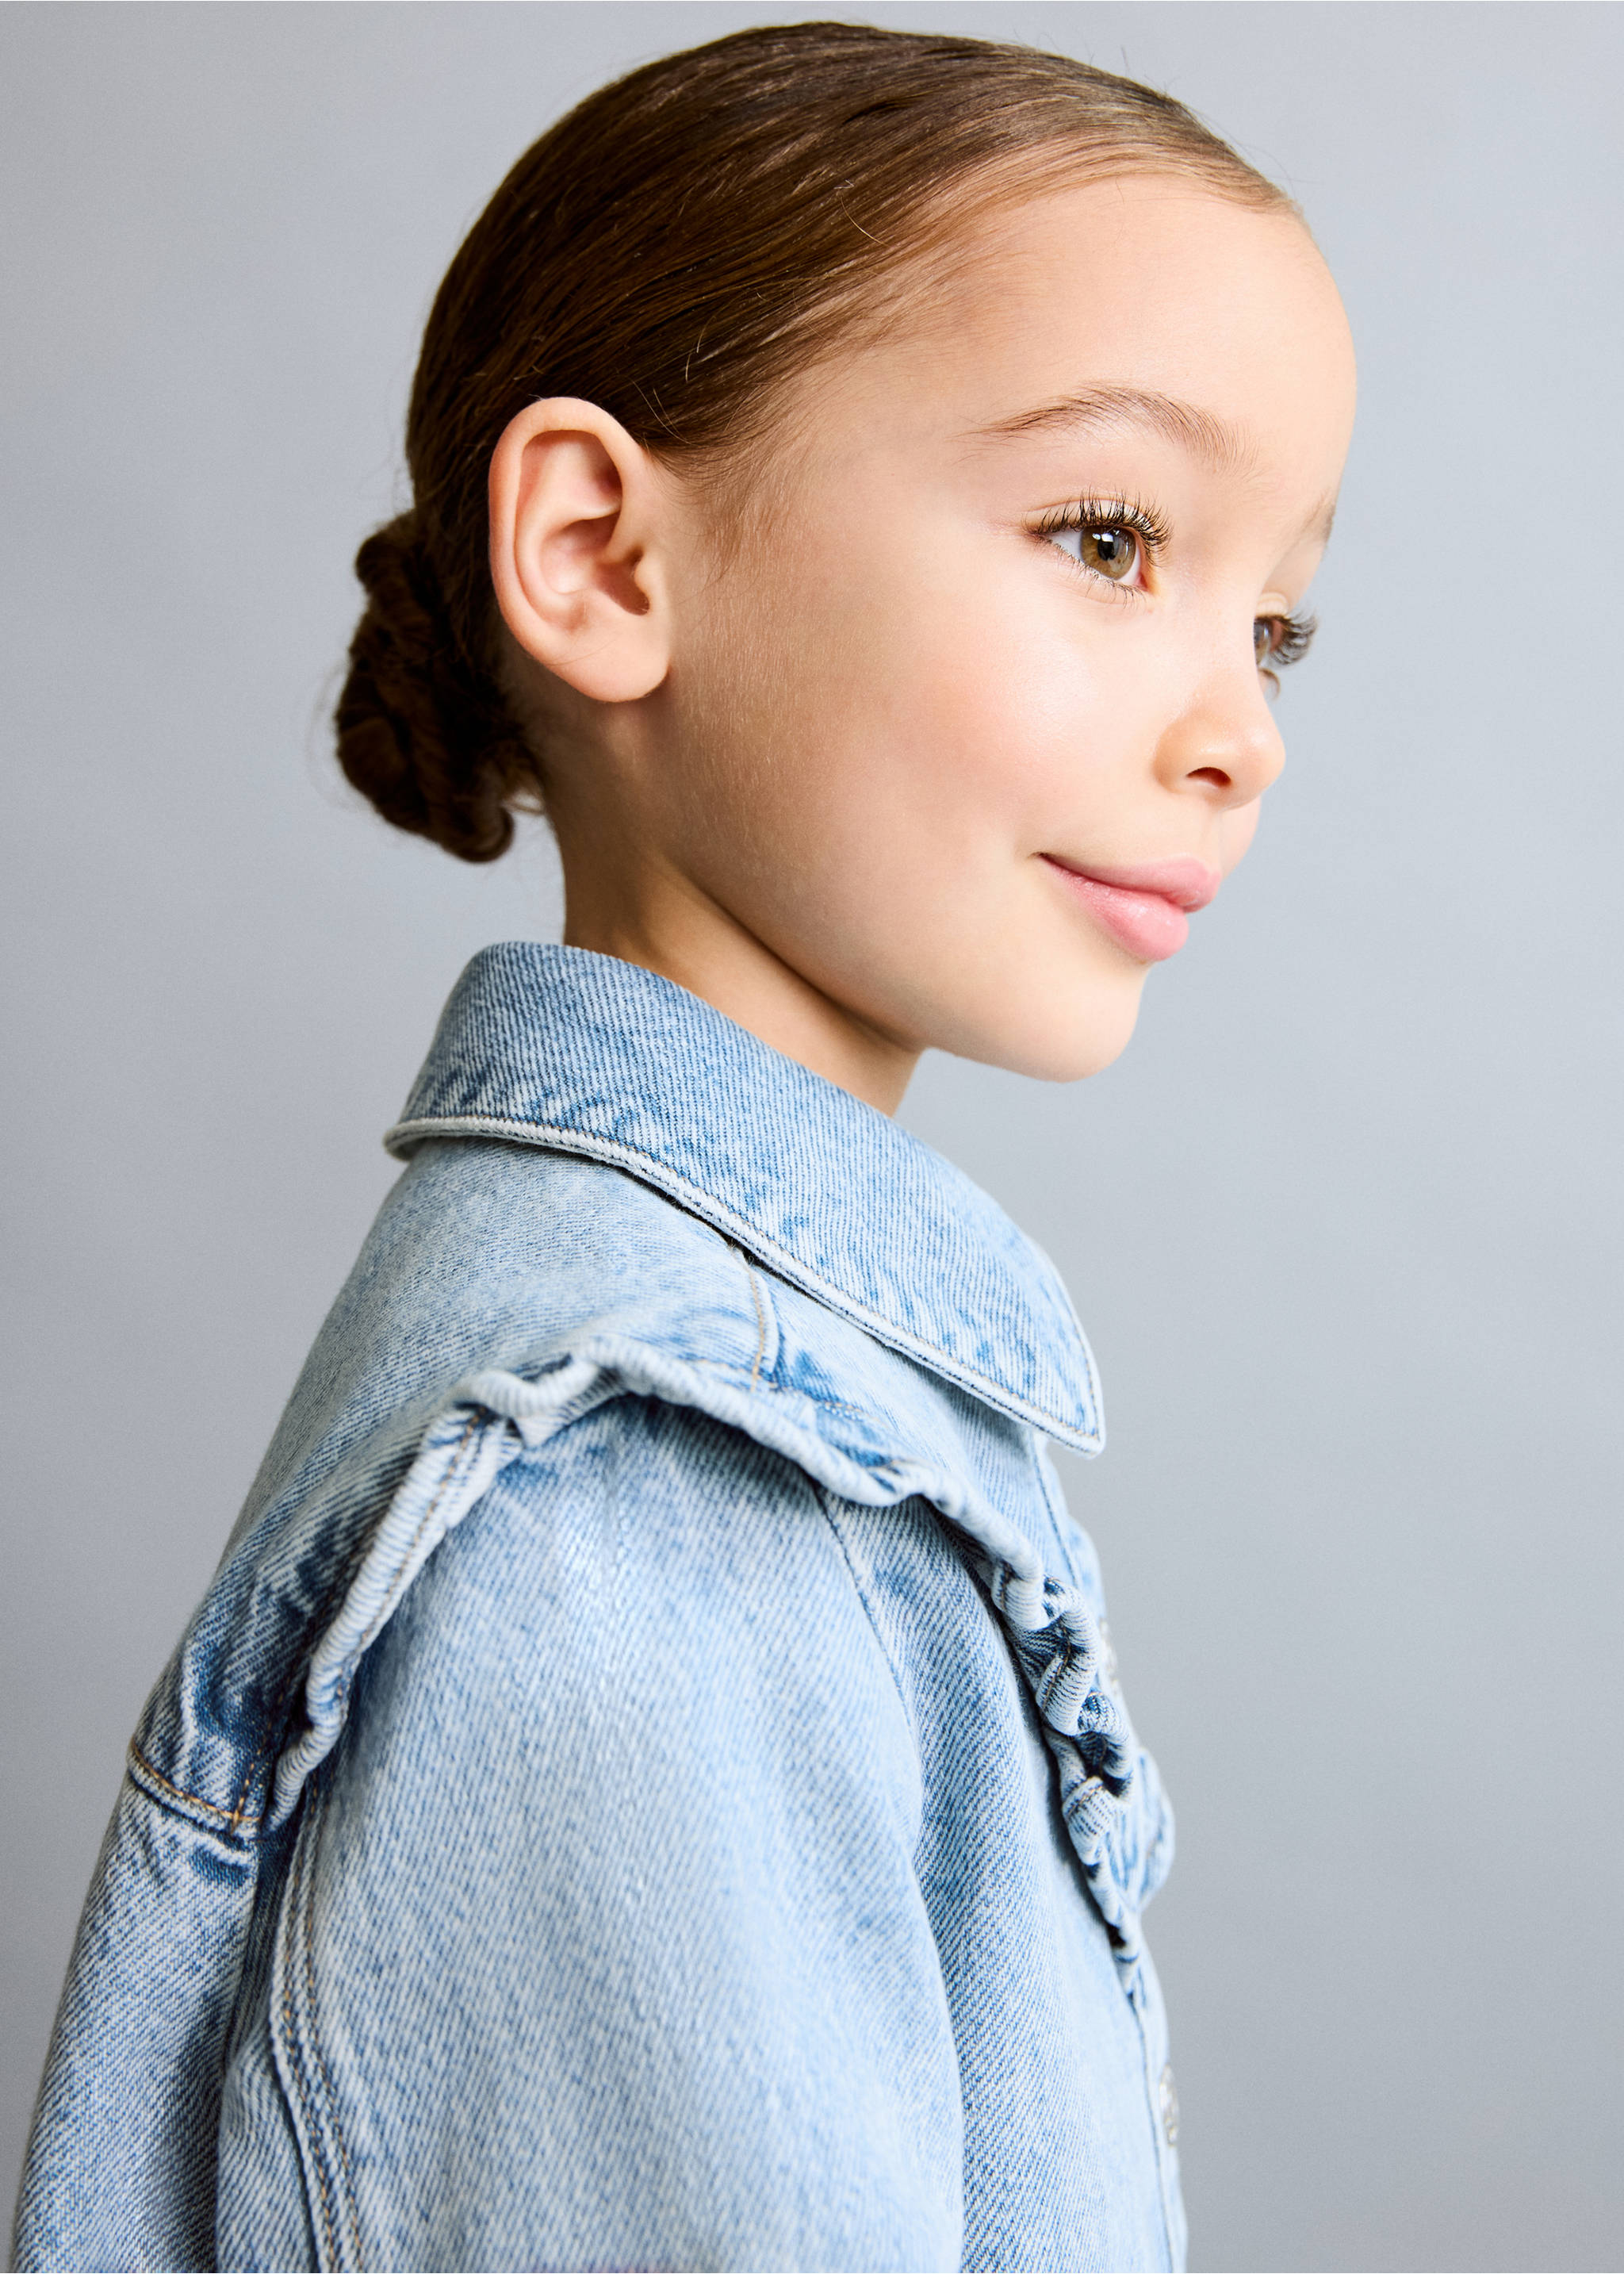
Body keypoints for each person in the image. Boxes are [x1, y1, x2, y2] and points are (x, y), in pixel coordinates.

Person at [13, 21, 1355, 2272]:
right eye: (1109, 535)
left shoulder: (661, 1392)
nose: (1240, 731)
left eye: (1279, 620)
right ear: (603, 554)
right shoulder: (660, 1490)